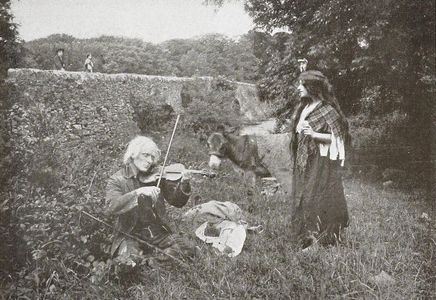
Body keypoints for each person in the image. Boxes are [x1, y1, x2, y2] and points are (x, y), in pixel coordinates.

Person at [105, 136, 195, 263]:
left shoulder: (156, 177)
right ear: (133, 153)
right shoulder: (117, 180)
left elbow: (177, 202)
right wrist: (137, 193)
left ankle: (148, 262)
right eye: (146, 155)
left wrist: (184, 183)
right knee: (128, 261)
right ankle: (153, 260)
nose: (149, 161)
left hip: (157, 233)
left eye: (152, 157)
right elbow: (111, 206)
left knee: (188, 248)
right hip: (131, 235)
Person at [289, 70, 350, 249]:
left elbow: (339, 139)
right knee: (302, 196)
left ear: (313, 88)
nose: (298, 88)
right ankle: (305, 236)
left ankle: (322, 238)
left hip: (320, 162)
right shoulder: (305, 107)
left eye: (302, 84)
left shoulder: (327, 110)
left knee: (315, 198)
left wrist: (315, 134)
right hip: (303, 161)